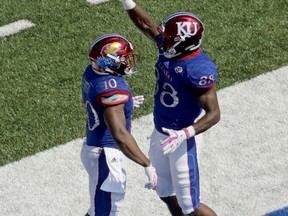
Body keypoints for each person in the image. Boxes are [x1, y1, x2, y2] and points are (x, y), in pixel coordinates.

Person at [119, 1, 221, 216]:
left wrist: (185, 133)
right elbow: (146, 25)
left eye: (168, 36)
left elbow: (214, 114)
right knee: (164, 191)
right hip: (160, 131)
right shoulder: (170, 49)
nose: (162, 37)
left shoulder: (198, 68)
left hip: (183, 139)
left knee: (191, 205)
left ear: (182, 42)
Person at [80, 33, 158, 216]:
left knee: (97, 210)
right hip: (106, 154)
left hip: (95, 147)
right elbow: (120, 135)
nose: (129, 62)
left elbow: (101, 101)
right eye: (124, 58)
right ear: (109, 62)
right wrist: (147, 164)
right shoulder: (112, 89)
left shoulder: (92, 71)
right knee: (106, 212)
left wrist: (126, 104)